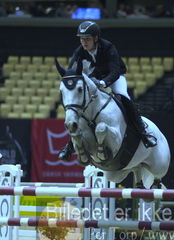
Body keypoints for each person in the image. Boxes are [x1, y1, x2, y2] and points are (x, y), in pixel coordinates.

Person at [58, 21, 157, 161]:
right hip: (93, 78)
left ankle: (143, 133)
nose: (84, 42)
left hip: (114, 77)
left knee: (124, 97)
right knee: (80, 107)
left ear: (96, 38)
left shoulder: (108, 47)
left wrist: (104, 83)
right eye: (81, 39)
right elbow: (72, 72)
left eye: (87, 39)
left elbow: (115, 70)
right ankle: (69, 145)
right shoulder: (79, 51)